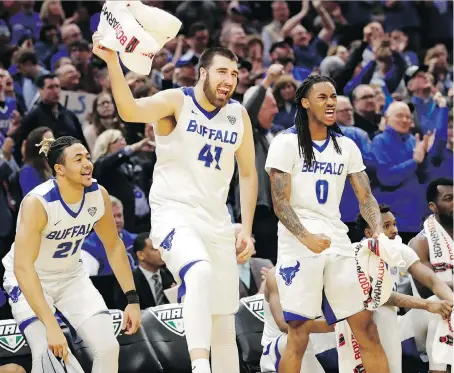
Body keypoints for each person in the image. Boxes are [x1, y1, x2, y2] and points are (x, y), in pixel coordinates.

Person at [93, 36, 258, 373]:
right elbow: (129, 110)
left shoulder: (238, 115)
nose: (230, 80)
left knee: (224, 322)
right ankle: (199, 366)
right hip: (175, 214)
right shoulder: (176, 102)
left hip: (218, 222)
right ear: (202, 73)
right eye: (222, 71)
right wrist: (113, 62)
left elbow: (250, 174)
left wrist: (248, 230)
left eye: (235, 74)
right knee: (198, 272)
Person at [265, 74, 389, 373]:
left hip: (336, 238)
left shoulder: (345, 146)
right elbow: (280, 203)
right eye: (322, 97)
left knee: (367, 327)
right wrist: (306, 236)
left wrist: (379, 232)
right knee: (298, 332)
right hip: (298, 241)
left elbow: (366, 197)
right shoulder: (285, 142)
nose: (330, 102)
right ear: (305, 103)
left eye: (333, 96)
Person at [1, 136, 142, 373]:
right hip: (30, 279)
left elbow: (114, 246)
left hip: (71, 277)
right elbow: (22, 267)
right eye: (78, 160)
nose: (87, 163)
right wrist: (50, 325)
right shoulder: (39, 203)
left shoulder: (98, 195)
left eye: (87, 157)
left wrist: (133, 300)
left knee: (108, 347)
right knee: (49, 349)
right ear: (60, 169)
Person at [335, 204, 453, 373]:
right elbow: (381, 297)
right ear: (369, 234)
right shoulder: (357, 253)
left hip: (391, 319)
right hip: (358, 320)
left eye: (395, 224)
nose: (394, 230)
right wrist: (426, 305)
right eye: (387, 226)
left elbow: (433, 281)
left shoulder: (401, 250)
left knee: (445, 307)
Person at [407, 178, 453, 373]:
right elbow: (426, 289)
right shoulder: (420, 242)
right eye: (449, 199)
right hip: (423, 313)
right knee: (443, 307)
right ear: (433, 206)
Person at [260, 267, 335, 373]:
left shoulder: (333, 271)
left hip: (326, 348)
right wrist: (336, 325)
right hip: (283, 349)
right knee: (297, 334)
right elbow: (284, 325)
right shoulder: (276, 275)